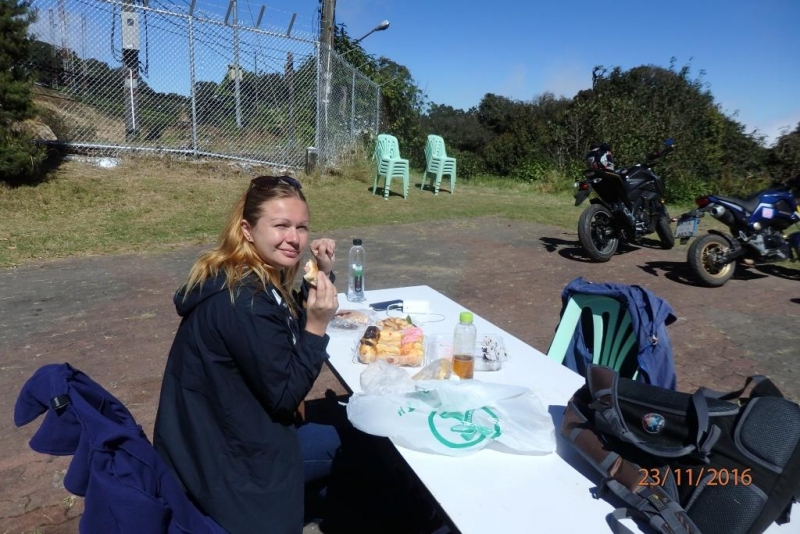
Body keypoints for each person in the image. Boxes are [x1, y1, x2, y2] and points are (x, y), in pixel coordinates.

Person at [152, 175, 340, 534]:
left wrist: (320, 276)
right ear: (247, 229)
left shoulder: (242, 277)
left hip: (214, 440)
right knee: (356, 438)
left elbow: (280, 327)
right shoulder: (244, 301)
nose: (295, 238)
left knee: (342, 423)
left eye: (301, 227)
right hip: (231, 466)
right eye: (281, 225)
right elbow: (286, 396)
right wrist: (317, 327)